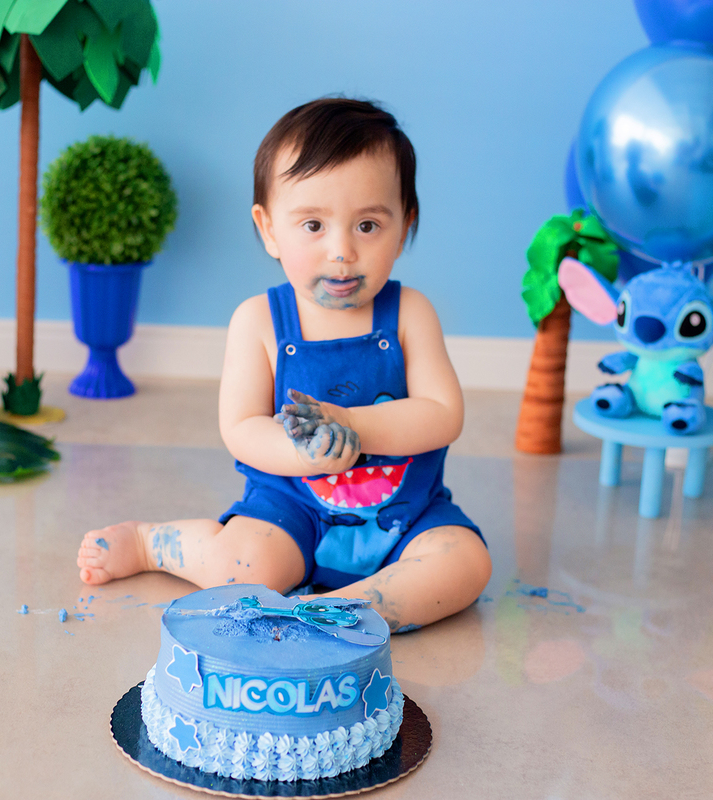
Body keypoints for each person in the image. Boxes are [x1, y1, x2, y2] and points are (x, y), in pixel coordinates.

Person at [76, 98, 491, 631]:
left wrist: (354, 426)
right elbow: (242, 428)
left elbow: (442, 413)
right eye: (313, 225)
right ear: (269, 228)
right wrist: (306, 451)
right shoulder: (259, 321)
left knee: (467, 561)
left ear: (405, 226)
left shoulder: (411, 313)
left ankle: (348, 608)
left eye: (367, 226)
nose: (341, 251)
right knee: (237, 569)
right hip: (291, 508)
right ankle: (155, 543)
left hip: (406, 515)